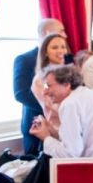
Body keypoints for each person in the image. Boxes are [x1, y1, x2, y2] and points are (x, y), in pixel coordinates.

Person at [13, 18, 66, 154]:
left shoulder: (65, 60)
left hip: (64, 126)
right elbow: (21, 93)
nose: (65, 35)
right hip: (37, 123)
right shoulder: (25, 59)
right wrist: (52, 109)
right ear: (48, 32)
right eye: (61, 31)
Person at [30, 33, 70, 134]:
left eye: (63, 47)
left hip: (77, 125)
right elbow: (51, 103)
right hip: (58, 130)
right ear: (46, 52)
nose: (61, 51)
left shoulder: (70, 73)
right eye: (55, 47)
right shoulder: (41, 79)